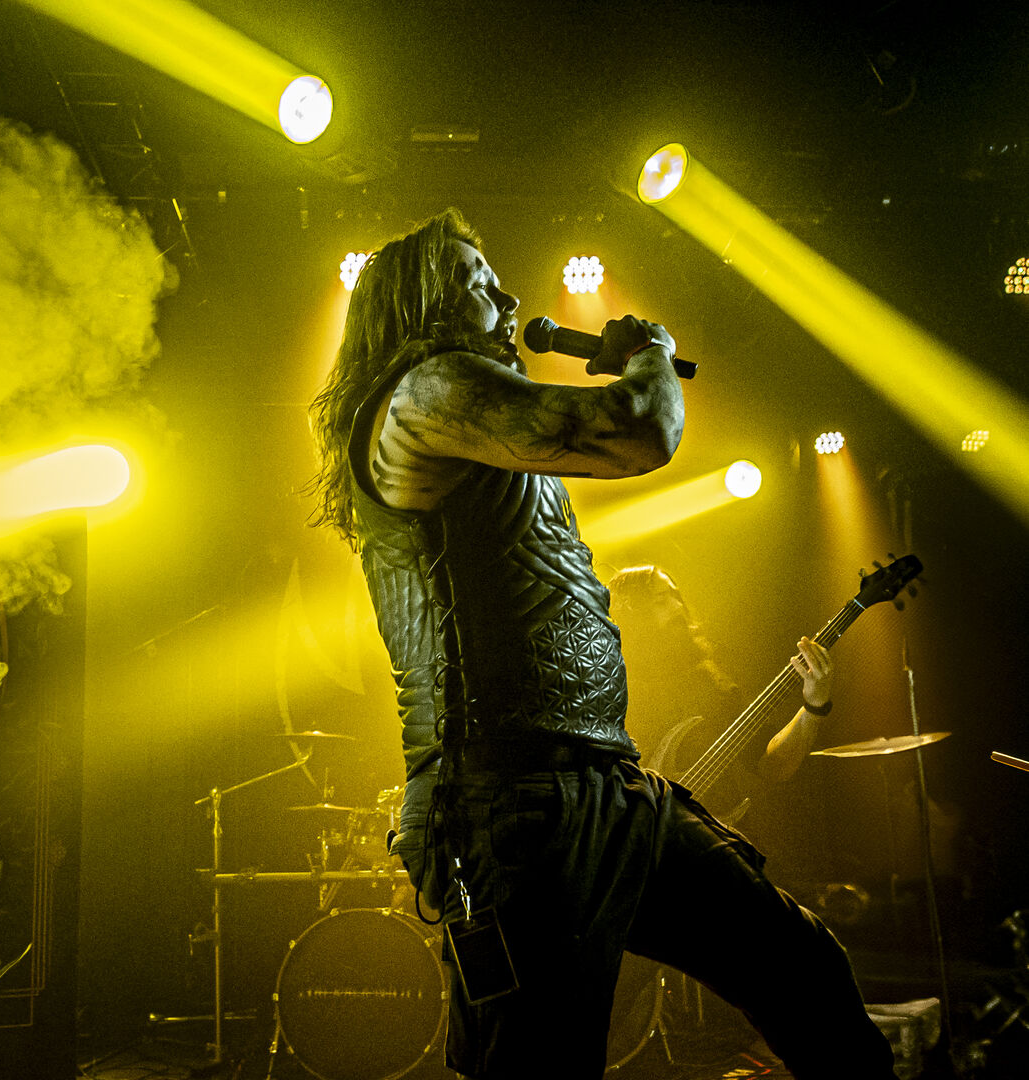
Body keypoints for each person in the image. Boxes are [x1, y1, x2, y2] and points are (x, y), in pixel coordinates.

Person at [306, 209, 893, 1078]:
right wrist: (650, 352)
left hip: (608, 786)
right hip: (510, 805)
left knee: (803, 967)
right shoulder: (423, 393)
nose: (508, 299)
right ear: (419, 301)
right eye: (476, 281)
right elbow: (639, 429)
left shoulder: (477, 423)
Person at [608, 564, 835, 804]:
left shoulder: (709, 684)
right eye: (661, 600)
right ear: (634, 615)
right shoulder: (607, 688)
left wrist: (813, 707)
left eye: (676, 597)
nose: (678, 607)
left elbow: (772, 767)